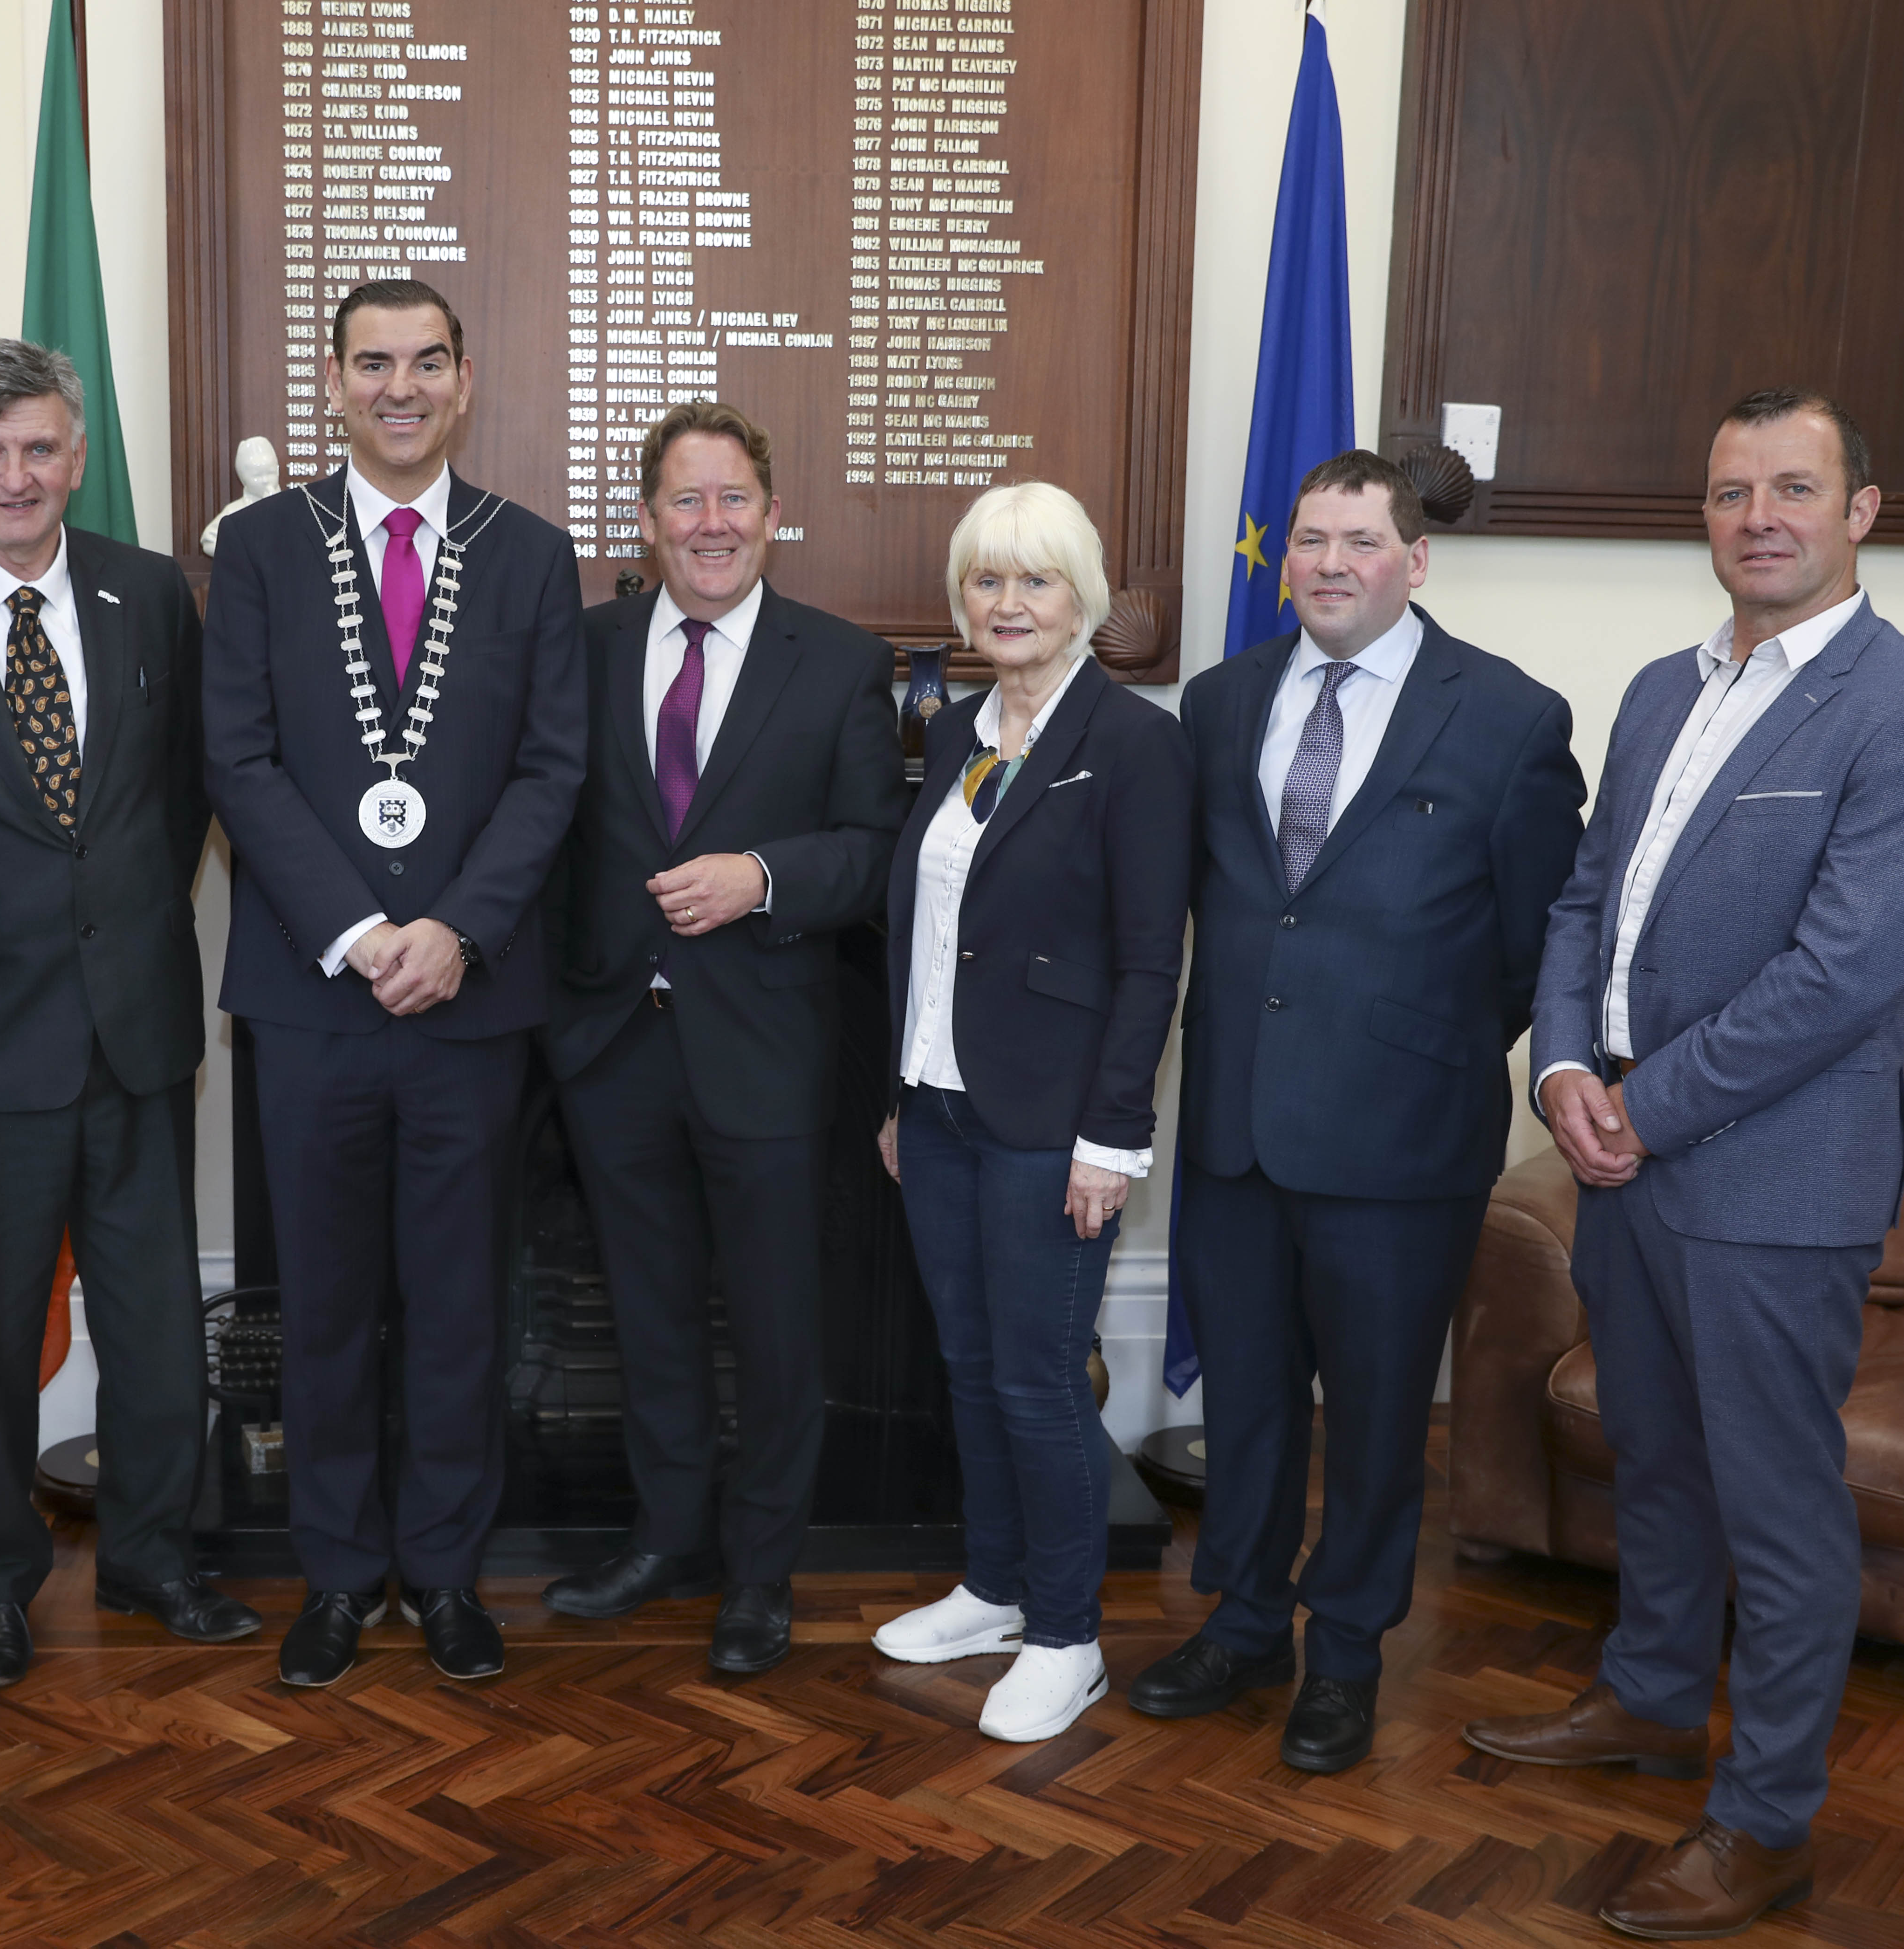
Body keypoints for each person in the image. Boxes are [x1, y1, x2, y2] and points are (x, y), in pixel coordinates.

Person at [1464, 391, 1904, 1939]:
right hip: (1620, 1158)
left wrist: (1648, 1105)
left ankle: (1763, 1822)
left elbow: (1841, 975)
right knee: (1653, 1457)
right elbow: (1582, 906)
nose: (1756, 515)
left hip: (1768, 1184)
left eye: (1791, 488)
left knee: (1776, 1509)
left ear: (1860, 512)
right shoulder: (1653, 692)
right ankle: (1643, 1703)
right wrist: (1562, 1069)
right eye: (1727, 492)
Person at [1137, 449, 1586, 1772]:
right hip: (1232, 1130)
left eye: (1359, 542)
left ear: (1415, 559)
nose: (1329, 565)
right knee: (1254, 1404)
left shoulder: (1506, 716)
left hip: (1401, 1142)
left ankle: (1342, 1654)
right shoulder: (1218, 706)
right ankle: (1242, 1626)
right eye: (1310, 542)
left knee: (1381, 1417)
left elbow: (1534, 943)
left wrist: (1408, 1050)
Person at [0, 338, 257, 1693]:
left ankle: (152, 1561)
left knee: (151, 1328)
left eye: (39, 449)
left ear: (77, 458)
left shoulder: (148, 595)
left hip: (135, 1032)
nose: (15, 474)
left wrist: (126, 929)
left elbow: (183, 790)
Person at [203, 280, 586, 1687]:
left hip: (471, 1002)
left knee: (460, 1302)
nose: (401, 387)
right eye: (374, 364)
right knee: (324, 1305)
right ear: (334, 380)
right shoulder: (256, 551)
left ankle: (443, 1571)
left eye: (427, 363)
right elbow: (235, 758)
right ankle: (338, 1573)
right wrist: (359, 934)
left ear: (466, 382)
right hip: (314, 1000)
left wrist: (458, 931)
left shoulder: (533, 558)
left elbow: (554, 770)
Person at [540, 401, 906, 1673]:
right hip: (609, 1046)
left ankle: (759, 1574)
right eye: (685, 502)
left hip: (763, 1045)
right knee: (644, 1314)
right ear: (645, 523)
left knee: (773, 1324)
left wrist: (762, 875)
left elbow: (874, 854)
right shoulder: (575, 651)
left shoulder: (839, 662)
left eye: (734, 499)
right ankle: (667, 1538)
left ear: (771, 512)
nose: (711, 525)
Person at [868, 482, 1192, 1742]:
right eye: (987, 581)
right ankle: (995, 1590)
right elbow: (926, 932)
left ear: (1085, 601)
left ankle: (1067, 1637)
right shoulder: (955, 732)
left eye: (1035, 580)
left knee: (1040, 1380)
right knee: (968, 1364)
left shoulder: (1135, 744)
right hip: (940, 1110)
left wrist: (1112, 1135)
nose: (1008, 603)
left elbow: (1144, 961)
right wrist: (901, 1092)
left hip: (1054, 1128)